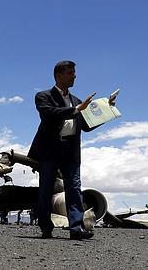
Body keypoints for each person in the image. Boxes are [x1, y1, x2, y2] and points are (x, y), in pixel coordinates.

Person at [28, 60, 110, 240]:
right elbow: (49, 115)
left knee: (74, 188)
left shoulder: (77, 101)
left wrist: (107, 111)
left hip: (70, 152)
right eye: (70, 73)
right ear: (59, 75)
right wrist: (75, 110)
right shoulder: (43, 96)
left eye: (74, 72)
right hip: (49, 151)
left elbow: (86, 125)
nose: (75, 76)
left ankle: (76, 229)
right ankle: (45, 227)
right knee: (46, 190)